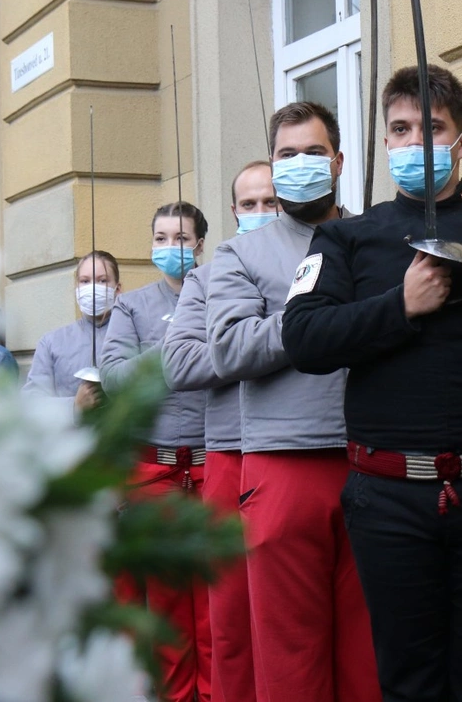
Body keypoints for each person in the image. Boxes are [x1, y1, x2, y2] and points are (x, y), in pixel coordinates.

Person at [281, 65, 462, 702]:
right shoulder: (346, 237)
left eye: (432, 129)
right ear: (384, 141)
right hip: (387, 497)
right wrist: (400, 305)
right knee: (407, 681)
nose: (414, 143)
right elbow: (304, 338)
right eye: (400, 130)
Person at [205, 102, 380, 702]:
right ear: (272, 164)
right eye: (287, 154)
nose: (300, 163)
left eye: (313, 152)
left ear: (338, 160)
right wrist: (312, 322)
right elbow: (228, 348)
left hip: (373, 460)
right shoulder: (240, 254)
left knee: (369, 654)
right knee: (290, 659)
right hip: (284, 464)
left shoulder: (378, 237)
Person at [160, 159, 277, 702]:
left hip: (304, 452)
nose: (260, 211)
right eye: (249, 204)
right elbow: (179, 362)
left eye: (270, 202)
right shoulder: (206, 278)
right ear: (233, 211)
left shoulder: (319, 261)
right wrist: (257, 348)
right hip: (228, 452)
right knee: (228, 613)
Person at [101, 203, 211, 702]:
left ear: (201, 244)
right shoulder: (132, 307)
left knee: (216, 605)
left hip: (214, 466)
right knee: (166, 605)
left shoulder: (222, 290)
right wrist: (175, 346)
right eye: (161, 238)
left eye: (181, 238)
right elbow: (114, 377)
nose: (171, 247)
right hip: (156, 471)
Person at [21, 250, 120, 410]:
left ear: (117, 289)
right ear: (77, 289)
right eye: (85, 281)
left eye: (102, 281)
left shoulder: (133, 336)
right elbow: (32, 402)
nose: (93, 288)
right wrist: (74, 405)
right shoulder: (51, 342)